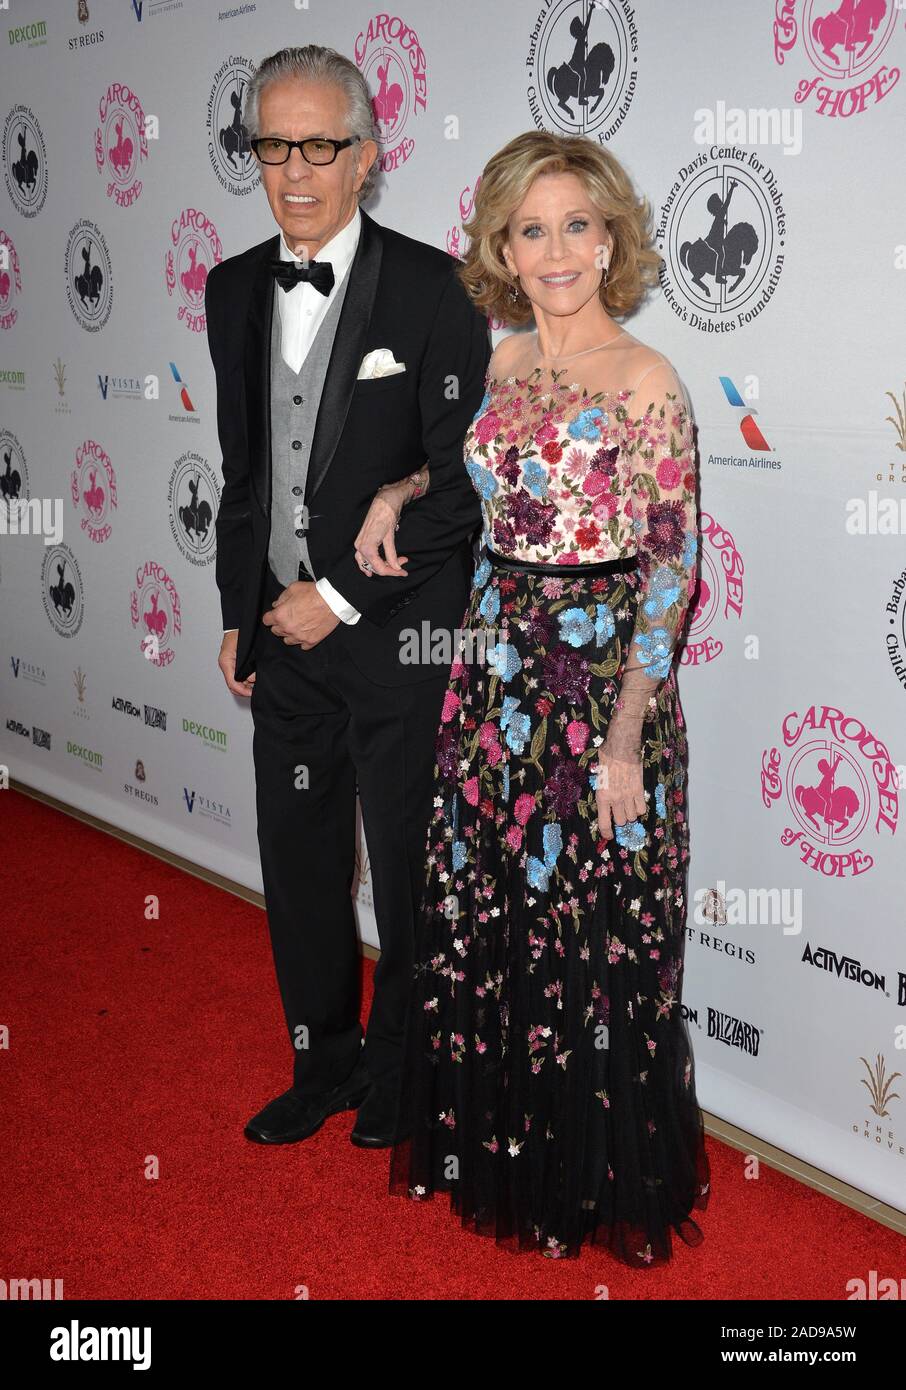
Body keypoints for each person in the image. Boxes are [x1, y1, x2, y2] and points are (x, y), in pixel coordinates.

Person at [357, 129, 711, 1263]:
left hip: (599, 677)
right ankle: (496, 1153)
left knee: (596, 937)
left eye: (576, 225)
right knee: (496, 916)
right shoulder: (503, 361)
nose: (555, 249)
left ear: (611, 238)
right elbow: (479, 476)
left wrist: (623, 737)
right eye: (531, 228)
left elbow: (670, 567)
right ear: (503, 245)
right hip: (494, 664)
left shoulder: (648, 380)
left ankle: (594, 1189)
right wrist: (398, 488)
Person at [204, 45, 490, 1148]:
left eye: (320, 144)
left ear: (367, 156)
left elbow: (460, 485)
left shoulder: (434, 289)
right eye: (273, 144)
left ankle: (402, 1073)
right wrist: (243, 605)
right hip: (280, 631)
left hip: (396, 635)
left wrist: (338, 593)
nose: (295, 169)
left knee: (411, 863)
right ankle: (322, 1062)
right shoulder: (232, 286)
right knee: (301, 854)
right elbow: (243, 472)